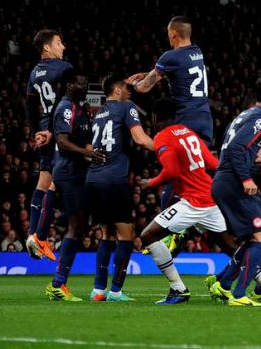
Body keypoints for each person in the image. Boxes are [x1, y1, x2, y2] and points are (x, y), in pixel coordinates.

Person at [138, 98, 240, 305]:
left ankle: (178, 289)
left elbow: (172, 171)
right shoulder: (187, 132)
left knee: (147, 235)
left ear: (155, 118)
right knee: (230, 246)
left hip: (193, 202)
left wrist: (151, 182)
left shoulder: (162, 137)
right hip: (210, 198)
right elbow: (213, 163)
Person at [208, 76, 261, 307]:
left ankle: (229, 285)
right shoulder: (259, 119)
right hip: (233, 183)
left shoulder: (245, 116)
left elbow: (251, 154)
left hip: (231, 182)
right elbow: (236, 149)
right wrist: (246, 178)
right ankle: (238, 294)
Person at [126, 16, 213, 213]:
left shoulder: (170, 56)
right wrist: (151, 73)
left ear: (173, 34)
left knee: (175, 172)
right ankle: (199, 214)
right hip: (205, 119)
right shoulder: (197, 52)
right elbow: (177, 70)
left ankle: (165, 227)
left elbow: (144, 88)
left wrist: (133, 83)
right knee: (196, 172)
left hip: (186, 119)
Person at [87, 74, 154, 302]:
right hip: (114, 180)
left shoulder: (99, 114)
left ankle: (98, 290)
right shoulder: (126, 107)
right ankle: (115, 291)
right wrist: (170, 148)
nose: (130, 90)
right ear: (117, 91)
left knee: (106, 234)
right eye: (126, 87)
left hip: (94, 180)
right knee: (126, 235)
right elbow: (141, 139)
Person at [45, 69, 104, 301]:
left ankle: (60, 282)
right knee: (76, 224)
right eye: (81, 80)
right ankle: (58, 284)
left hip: (77, 173)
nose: (85, 83)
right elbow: (62, 140)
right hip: (69, 173)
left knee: (78, 224)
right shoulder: (66, 107)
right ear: (70, 84)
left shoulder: (79, 108)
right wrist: (86, 152)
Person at [25, 29, 72, 261]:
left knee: (44, 180)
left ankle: (33, 234)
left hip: (43, 132)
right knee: (57, 183)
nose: (63, 47)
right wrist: (53, 131)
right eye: (59, 43)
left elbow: (29, 105)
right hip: (57, 131)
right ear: (47, 47)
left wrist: (36, 133)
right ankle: (41, 237)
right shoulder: (64, 69)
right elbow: (65, 99)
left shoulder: (34, 72)